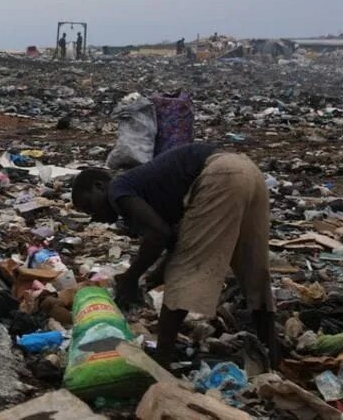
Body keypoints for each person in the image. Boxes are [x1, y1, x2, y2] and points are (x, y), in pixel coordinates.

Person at [71, 143, 278, 370]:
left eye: (90, 206)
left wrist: (131, 277)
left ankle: (161, 362)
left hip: (220, 175)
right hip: (249, 172)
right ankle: (273, 354)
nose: (97, 217)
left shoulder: (117, 190)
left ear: (100, 186)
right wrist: (151, 279)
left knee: (184, 270)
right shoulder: (148, 188)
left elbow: (158, 235)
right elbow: (175, 241)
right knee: (253, 271)